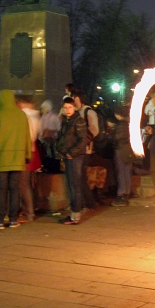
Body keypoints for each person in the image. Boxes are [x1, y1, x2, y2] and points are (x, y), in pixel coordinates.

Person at [0, 90, 31, 229]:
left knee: (1, 190)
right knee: (14, 189)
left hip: (1, 159)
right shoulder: (21, 115)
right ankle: (13, 219)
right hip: (17, 158)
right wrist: (27, 155)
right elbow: (27, 137)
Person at [56, 96, 87, 224]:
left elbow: (83, 140)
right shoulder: (66, 120)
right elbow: (62, 137)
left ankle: (75, 215)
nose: (67, 110)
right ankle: (73, 213)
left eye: (70, 107)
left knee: (75, 186)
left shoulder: (78, 121)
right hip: (68, 156)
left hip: (75, 157)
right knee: (71, 186)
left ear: (74, 107)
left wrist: (70, 153)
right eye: (65, 108)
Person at [16, 96, 41, 223]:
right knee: (27, 183)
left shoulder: (24, 115)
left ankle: (29, 212)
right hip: (31, 151)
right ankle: (27, 210)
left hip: (25, 151)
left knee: (23, 184)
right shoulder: (35, 115)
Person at [111, 105, 134, 206]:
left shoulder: (120, 125)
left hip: (120, 149)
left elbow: (116, 138)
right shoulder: (130, 123)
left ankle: (122, 194)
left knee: (121, 172)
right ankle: (127, 192)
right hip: (129, 149)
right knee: (127, 171)